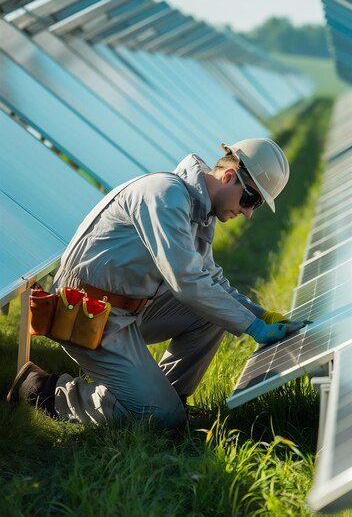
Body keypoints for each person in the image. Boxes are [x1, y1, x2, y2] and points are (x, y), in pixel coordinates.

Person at [7, 138, 306, 427]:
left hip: (128, 310)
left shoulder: (200, 210)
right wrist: (252, 327)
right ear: (229, 176)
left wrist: (260, 315)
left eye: (257, 206)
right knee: (159, 419)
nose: (249, 212)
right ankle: (43, 390)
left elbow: (211, 280)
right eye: (250, 199)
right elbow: (187, 281)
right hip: (87, 313)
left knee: (215, 312)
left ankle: (170, 400)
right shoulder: (166, 195)